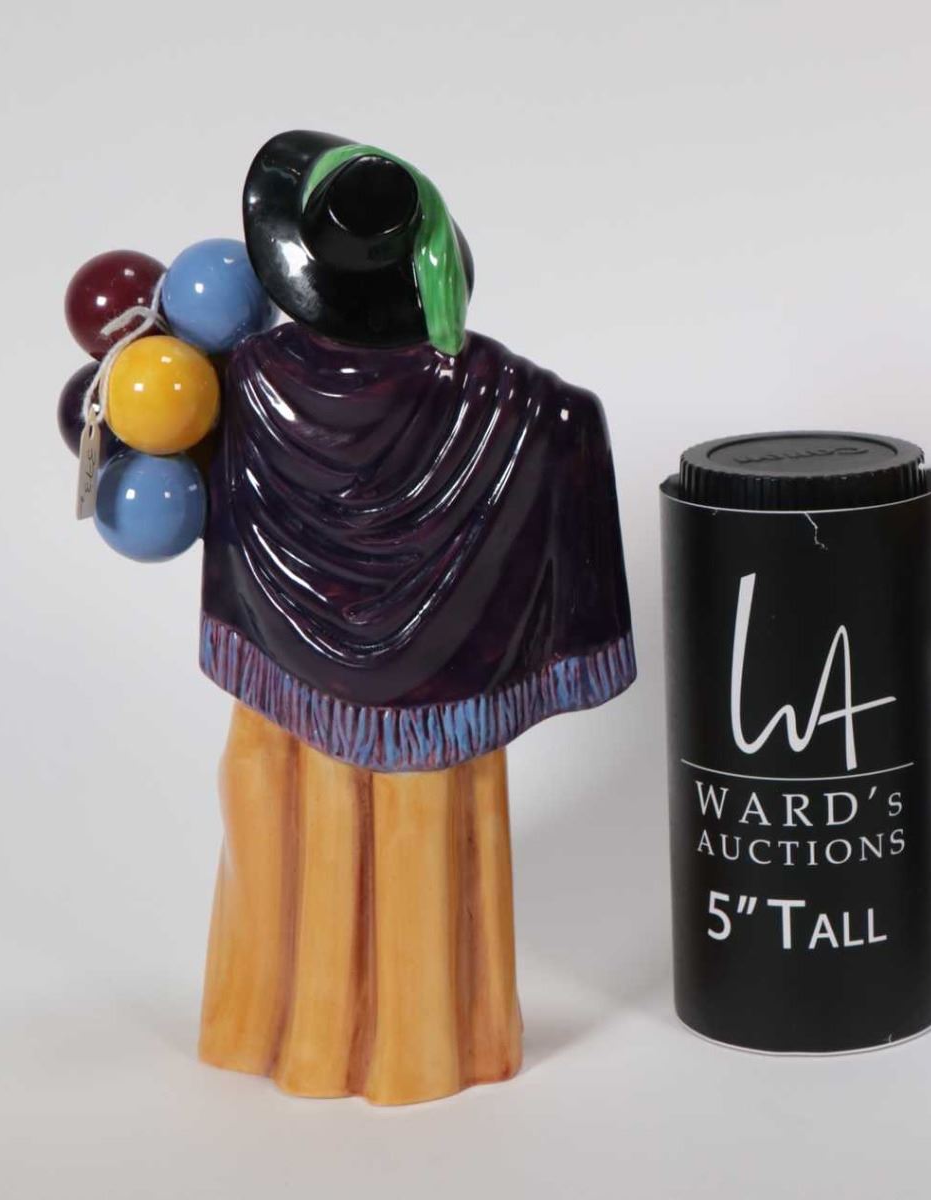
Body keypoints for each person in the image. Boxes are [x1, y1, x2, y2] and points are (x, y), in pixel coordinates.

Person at [195, 132, 634, 1103]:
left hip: (289, 699)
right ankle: (426, 1045)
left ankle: (282, 1030)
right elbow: (570, 431)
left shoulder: (245, 384)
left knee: (283, 801)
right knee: (421, 834)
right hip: (440, 704)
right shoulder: (531, 409)